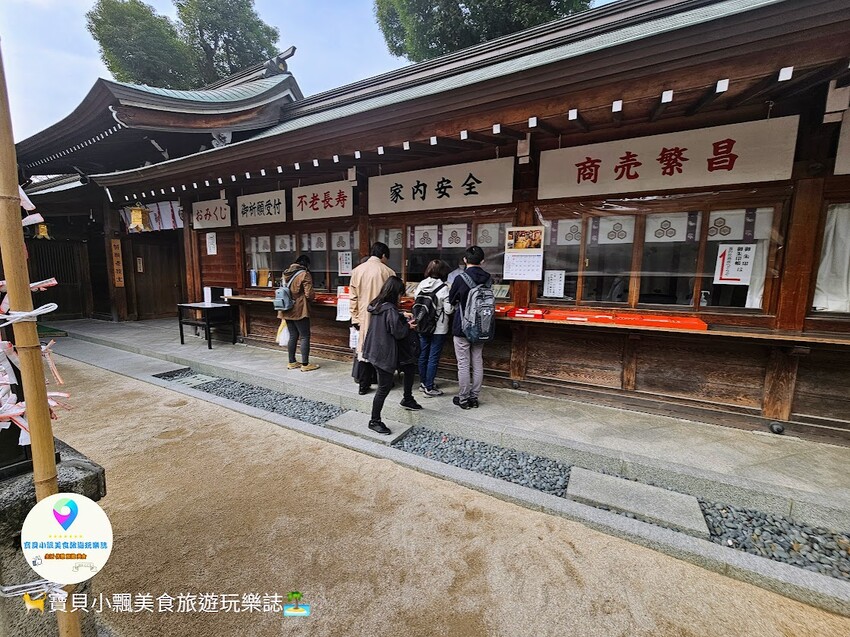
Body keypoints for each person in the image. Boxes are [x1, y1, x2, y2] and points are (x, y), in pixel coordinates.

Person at [362, 276, 423, 434]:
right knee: (384, 387)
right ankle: (374, 421)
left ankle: (407, 398)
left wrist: (401, 314)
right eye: (400, 294)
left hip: (375, 349)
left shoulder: (377, 304)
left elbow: (390, 317)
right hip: (384, 352)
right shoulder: (389, 308)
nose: (400, 297)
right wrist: (408, 326)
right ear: (395, 292)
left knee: (409, 367)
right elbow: (398, 332)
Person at [448, 245, 491, 409]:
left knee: (463, 363)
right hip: (482, 325)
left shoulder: (460, 278)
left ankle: (463, 398)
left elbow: (452, 300)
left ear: (465, 260)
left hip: (463, 326)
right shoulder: (488, 278)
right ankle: (474, 397)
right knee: (477, 361)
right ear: (482, 261)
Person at [350, 242, 395, 394]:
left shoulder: (357, 271)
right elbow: (393, 298)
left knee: (363, 350)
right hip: (383, 316)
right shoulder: (388, 272)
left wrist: (355, 317)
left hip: (363, 315)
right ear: (383, 255)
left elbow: (353, 298)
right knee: (382, 348)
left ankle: (363, 385)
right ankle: (382, 382)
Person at [413, 259, 453, 397]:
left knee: (423, 354)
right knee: (433, 357)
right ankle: (429, 387)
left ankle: (424, 383)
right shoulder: (444, 288)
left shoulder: (421, 285)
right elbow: (448, 310)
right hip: (439, 327)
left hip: (423, 325)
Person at [278, 255, 319, 372]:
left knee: (293, 335)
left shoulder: (285, 273)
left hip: (286, 308)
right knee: (305, 336)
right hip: (299, 309)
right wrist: (312, 299)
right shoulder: (304, 274)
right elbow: (309, 294)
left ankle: (292, 362)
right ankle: (305, 364)